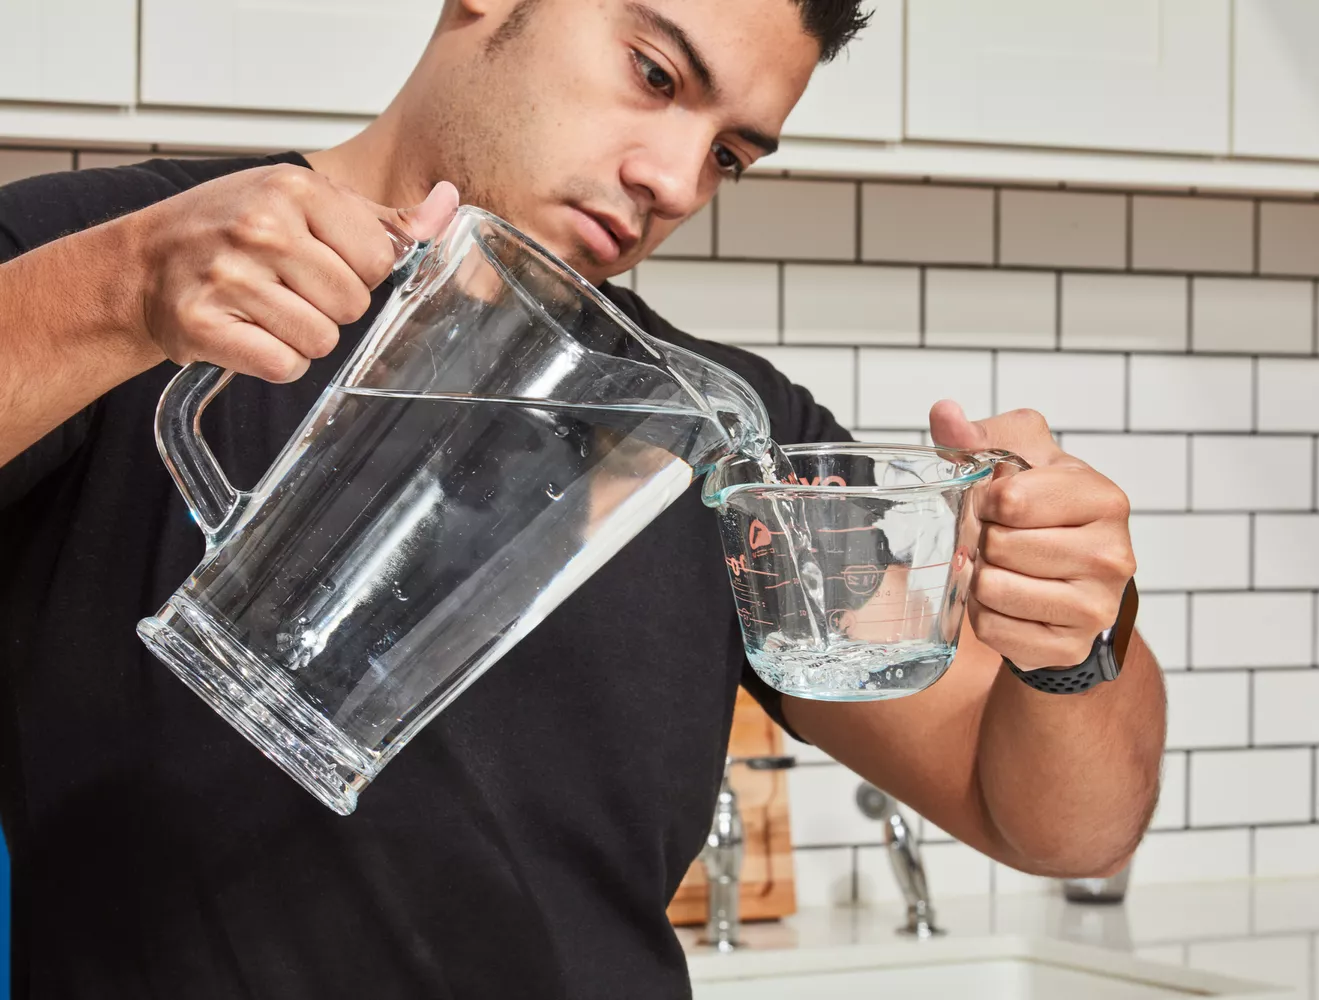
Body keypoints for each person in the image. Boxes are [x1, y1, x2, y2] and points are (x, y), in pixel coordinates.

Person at [0, 0, 1166, 996]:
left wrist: (1070, 639)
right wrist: (117, 295)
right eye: (654, 73)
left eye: (729, 155)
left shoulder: (725, 441)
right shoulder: (123, 258)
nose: (672, 182)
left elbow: (1058, 824)